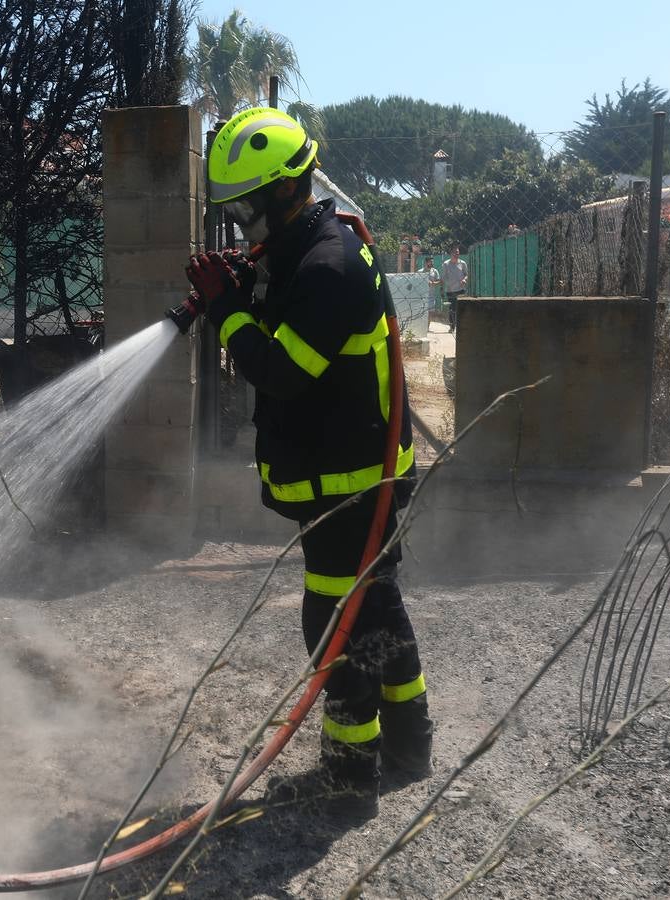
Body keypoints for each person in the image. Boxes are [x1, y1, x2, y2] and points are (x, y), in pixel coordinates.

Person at [181, 107, 434, 818]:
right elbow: (283, 320)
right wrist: (244, 287)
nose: (243, 226)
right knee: (376, 607)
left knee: (335, 627)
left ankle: (351, 775)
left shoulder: (326, 266)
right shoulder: (308, 248)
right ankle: (410, 746)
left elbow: (282, 370)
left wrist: (228, 309)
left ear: (290, 190)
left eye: (250, 210)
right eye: (234, 214)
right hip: (351, 476)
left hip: (349, 490)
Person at [441, 245, 468, 333]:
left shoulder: (463, 263)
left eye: (458, 252)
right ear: (451, 253)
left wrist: (464, 279)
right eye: (455, 252)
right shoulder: (446, 264)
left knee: (461, 308)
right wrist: (442, 288)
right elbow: (443, 277)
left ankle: (462, 327)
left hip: (461, 290)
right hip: (450, 291)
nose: (457, 254)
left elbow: (466, 274)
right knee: (452, 309)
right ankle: (452, 327)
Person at [420, 255, 442, 322]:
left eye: (432, 262)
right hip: (422, 295)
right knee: (423, 312)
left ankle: (428, 325)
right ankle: (424, 325)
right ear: (426, 262)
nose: (432, 263)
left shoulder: (435, 271)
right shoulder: (420, 272)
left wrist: (433, 283)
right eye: (430, 262)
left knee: (430, 312)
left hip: (431, 295)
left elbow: (439, 281)